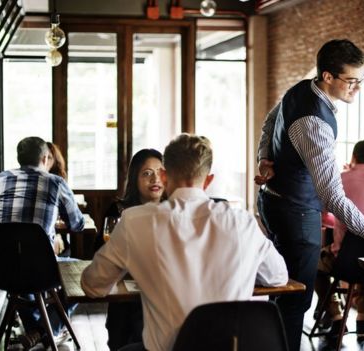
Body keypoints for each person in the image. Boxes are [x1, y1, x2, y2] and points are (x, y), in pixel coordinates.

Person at [255, 39, 364, 351]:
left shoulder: (301, 89)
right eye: (351, 81)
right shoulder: (314, 123)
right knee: (296, 301)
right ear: (328, 77)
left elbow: (270, 122)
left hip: (272, 200)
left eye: (362, 81)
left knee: (282, 288)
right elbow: (333, 197)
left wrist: (264, 158)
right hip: (296, 213)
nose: (358, 89)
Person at [81, 134, 288, 351]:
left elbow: (93, 285)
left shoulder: (134, 221)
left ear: (163, 176)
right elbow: (278, 276)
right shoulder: (242, 222)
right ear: (208, 180)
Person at [0, 136, 85, 348]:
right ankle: (44, 331)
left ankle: (35, 331)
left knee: (22, 277)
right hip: (41, 270)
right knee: (83, 273)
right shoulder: (56, 182)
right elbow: (77, 225)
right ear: (46, 157)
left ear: (19, 158)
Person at [315, 138, 364, 338]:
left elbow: (325, 215)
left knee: (314, 264)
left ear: (353, 157)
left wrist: (346, 174)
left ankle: (336, 316)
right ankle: (362, 318)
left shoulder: (340, 179)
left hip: (346, 263)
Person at [101, 149, 165, 351]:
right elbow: (99, 252)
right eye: (146, 173)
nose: (155, 178)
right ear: (135, 178)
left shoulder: (175, 210)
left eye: (160, 172)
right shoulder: (119, 210)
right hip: (124, 295)